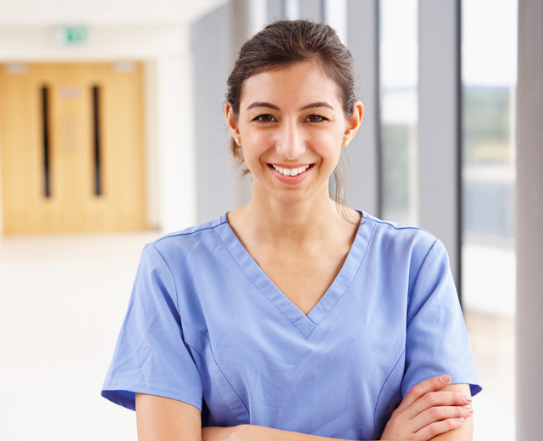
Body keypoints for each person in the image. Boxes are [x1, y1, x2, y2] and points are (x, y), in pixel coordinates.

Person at [101, 20, 481, 441]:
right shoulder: (172, 268)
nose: (290, 145)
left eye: (315, 117)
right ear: (234, 123)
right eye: (265, 117)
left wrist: (233, 436)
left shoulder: (413, 260)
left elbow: (448, 429)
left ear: (350, 123)